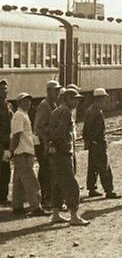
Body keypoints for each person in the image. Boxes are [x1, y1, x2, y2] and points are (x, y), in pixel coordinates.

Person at [47, 87, 90, 226]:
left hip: (56, 152)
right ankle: (74, 215)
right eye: (74, 99)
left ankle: (55, 214)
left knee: (57, 183)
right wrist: (61, 145)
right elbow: (60, 132)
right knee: (71, 183)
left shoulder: (57, 110)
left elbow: (50, 130)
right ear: (67, 99)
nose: (77, 102)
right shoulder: (66, 112)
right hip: (63, 152)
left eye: (78, 100)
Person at [10, 93, 48, 216]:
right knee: (31, 181)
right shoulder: (20, 115)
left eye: (29, 101)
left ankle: (17, 206)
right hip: (23, 152)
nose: (28, 103)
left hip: (22, 152)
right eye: (24, 101)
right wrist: (12, 150)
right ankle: (36, 207)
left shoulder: (22, 115)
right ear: (19, 103)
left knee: (19, 181)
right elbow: (16, 135)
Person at [83, 88, 121, 199]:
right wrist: (97, 141)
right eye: (104, 97)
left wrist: (88, 141)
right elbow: (95, 129)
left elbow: (86, 129)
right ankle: (109, 191)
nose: (105, 99)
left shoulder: (90, 110)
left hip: (93, 143)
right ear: (100, 98)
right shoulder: (97, 112)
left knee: (92, 167)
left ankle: (92, 188)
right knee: (105, 168)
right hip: (98, 143)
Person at [34, 80, 60, 208]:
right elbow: (40, 127)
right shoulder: (44, 106)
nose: (58, 93)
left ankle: (47, 197)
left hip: (48, 143)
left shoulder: (52, 104)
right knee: (46, 171)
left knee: (48, 170)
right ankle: (45, 198)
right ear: (49, 91)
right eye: (56, 91)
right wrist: (46, 144)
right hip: (44, 144)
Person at [0, 79, 11, 206]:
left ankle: (4, 196)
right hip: (0, 143)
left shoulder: (8, 105)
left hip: (7, 143)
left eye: (6, 89)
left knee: (6, 171)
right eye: (2, 89)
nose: (5, 91)